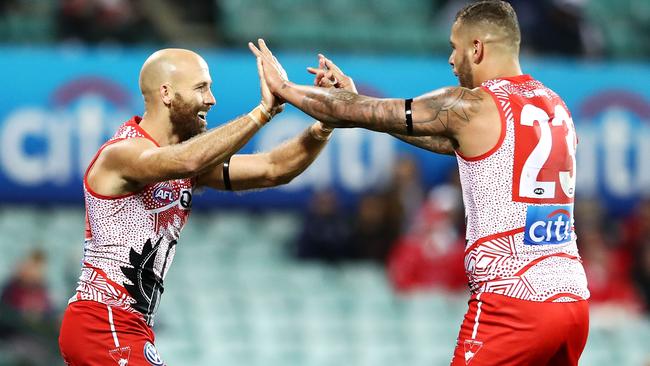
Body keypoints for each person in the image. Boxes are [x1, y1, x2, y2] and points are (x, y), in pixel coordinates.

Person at [249, 1, 590, 364]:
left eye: (454, 48)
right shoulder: (555, 106)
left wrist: (283, 87)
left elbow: (350, 111)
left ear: (476, 48)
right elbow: (443, 138)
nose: (450, 60)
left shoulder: (469, 105)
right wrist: (355, 102)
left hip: (513, 302)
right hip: (572, 299)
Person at [58, 48, 334, 365]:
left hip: (129, 327)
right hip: (101, 322)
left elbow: (274, 168)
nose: (211, 99)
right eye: (201, 87)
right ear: (166, 93)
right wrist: (262, 112)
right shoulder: (121, 154)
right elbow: (188, 159)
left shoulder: (181, 162)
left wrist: (324, 124)